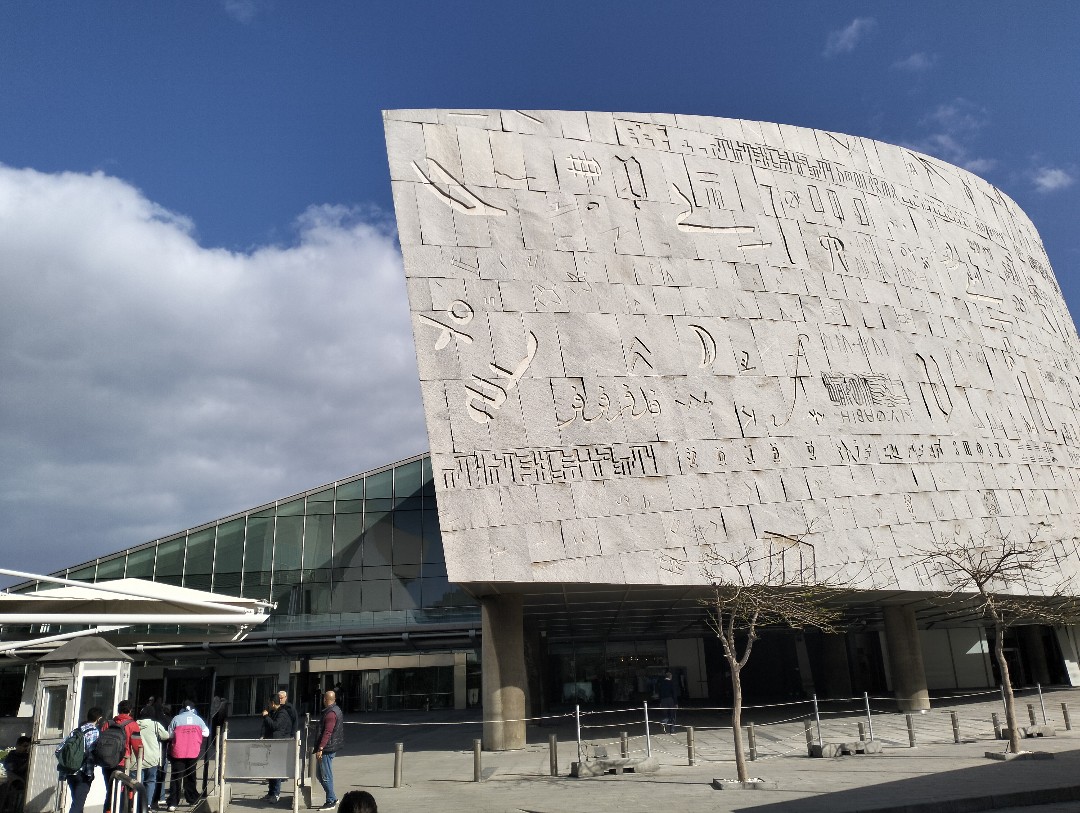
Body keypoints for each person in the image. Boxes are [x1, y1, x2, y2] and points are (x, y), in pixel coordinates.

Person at [56, 707, 102, 813]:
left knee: (77, 802)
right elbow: (94, 752)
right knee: (77, 804)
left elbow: (58, 750)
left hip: (69, 772)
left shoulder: (76, 731)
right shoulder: (95, 732)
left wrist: (69, 761)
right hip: (84, 772)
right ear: (98, 719)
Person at [100, 700, 142, 813]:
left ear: (118, 710)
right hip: (122, 762)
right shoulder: (133, 725)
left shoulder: (108, 723)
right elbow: (137, 745)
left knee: (110, 790)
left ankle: (108, 810)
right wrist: (140, 759)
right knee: (121, 791)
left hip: (106, 762)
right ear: (130, 711)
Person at [165, 700, 208, 811]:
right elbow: (206, 733)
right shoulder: (198, 719)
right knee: (191, 776)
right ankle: (192, 799)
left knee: (176, 777)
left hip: (178, 752)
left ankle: (173, 802)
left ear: (182, 708)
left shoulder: (176, 719)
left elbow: (170, 734)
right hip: (193, 751)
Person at [312, 691, 344, 811]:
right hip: (330, 746)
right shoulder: (336, 710)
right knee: (320, 773)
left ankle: (330, 801)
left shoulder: (331, 713)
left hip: (327, 748)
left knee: (325, 775)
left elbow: (327, 732)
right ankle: (333, 797)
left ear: (325, 699)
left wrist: (321, 747)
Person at [136, 705, 170, 809]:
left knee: (138, 782)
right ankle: (147, 805)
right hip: (152, 758)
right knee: (150, 781)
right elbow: (166, 736)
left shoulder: (135, 724)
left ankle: (137, 804)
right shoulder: (155, 724)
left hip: (137, 759)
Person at [260, 698, 291, 803]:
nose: (268, 705)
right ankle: (271, 792)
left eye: (269, 703)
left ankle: (276, 793)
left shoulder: (282, 713)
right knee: (270, 770)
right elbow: (268, 726)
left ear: (273, 703)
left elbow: (275, 726)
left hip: (278, 745)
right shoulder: (274, 712)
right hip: (271, 744)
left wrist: (266, 717)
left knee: (276, 769)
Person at [657, 670, 678, 734]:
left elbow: (659, 694)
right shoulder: (671, 683)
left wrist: (660, 702)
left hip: (663, 700)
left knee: (665, 714)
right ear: (670, 676)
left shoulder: (661, 683)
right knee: (672, 715)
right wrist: (676, 703)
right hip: (670, 700)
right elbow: (674, 693)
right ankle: (672, 730)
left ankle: (664, 722)